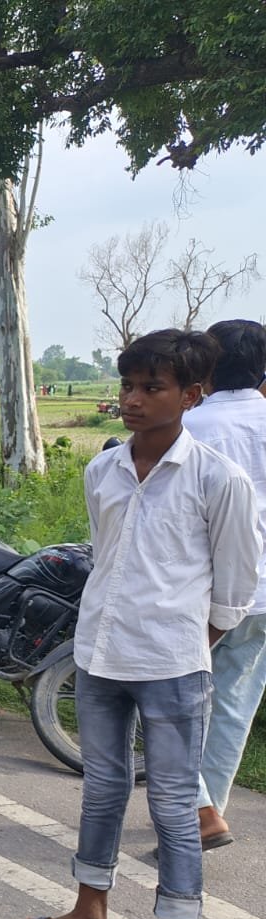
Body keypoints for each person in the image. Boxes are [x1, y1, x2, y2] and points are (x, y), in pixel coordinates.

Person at [3, 330, 259, 919]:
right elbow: (107, 556)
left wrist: (186, 644)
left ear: (192, 395)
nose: (135, 400)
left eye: (154, 387)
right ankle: (88, 912)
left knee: (176, 808)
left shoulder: (217, 478)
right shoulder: (105, 470)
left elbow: (236, 589)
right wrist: (107, 640)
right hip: (99, 656)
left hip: (174, 667)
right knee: (103, 790)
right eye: (129, 386)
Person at [183, 319, 266, 850]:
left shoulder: (188, 427)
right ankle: (206, 808)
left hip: (203, 589)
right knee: (234, 701)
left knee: (170, 697)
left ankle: (201, 808)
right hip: (263, 594)